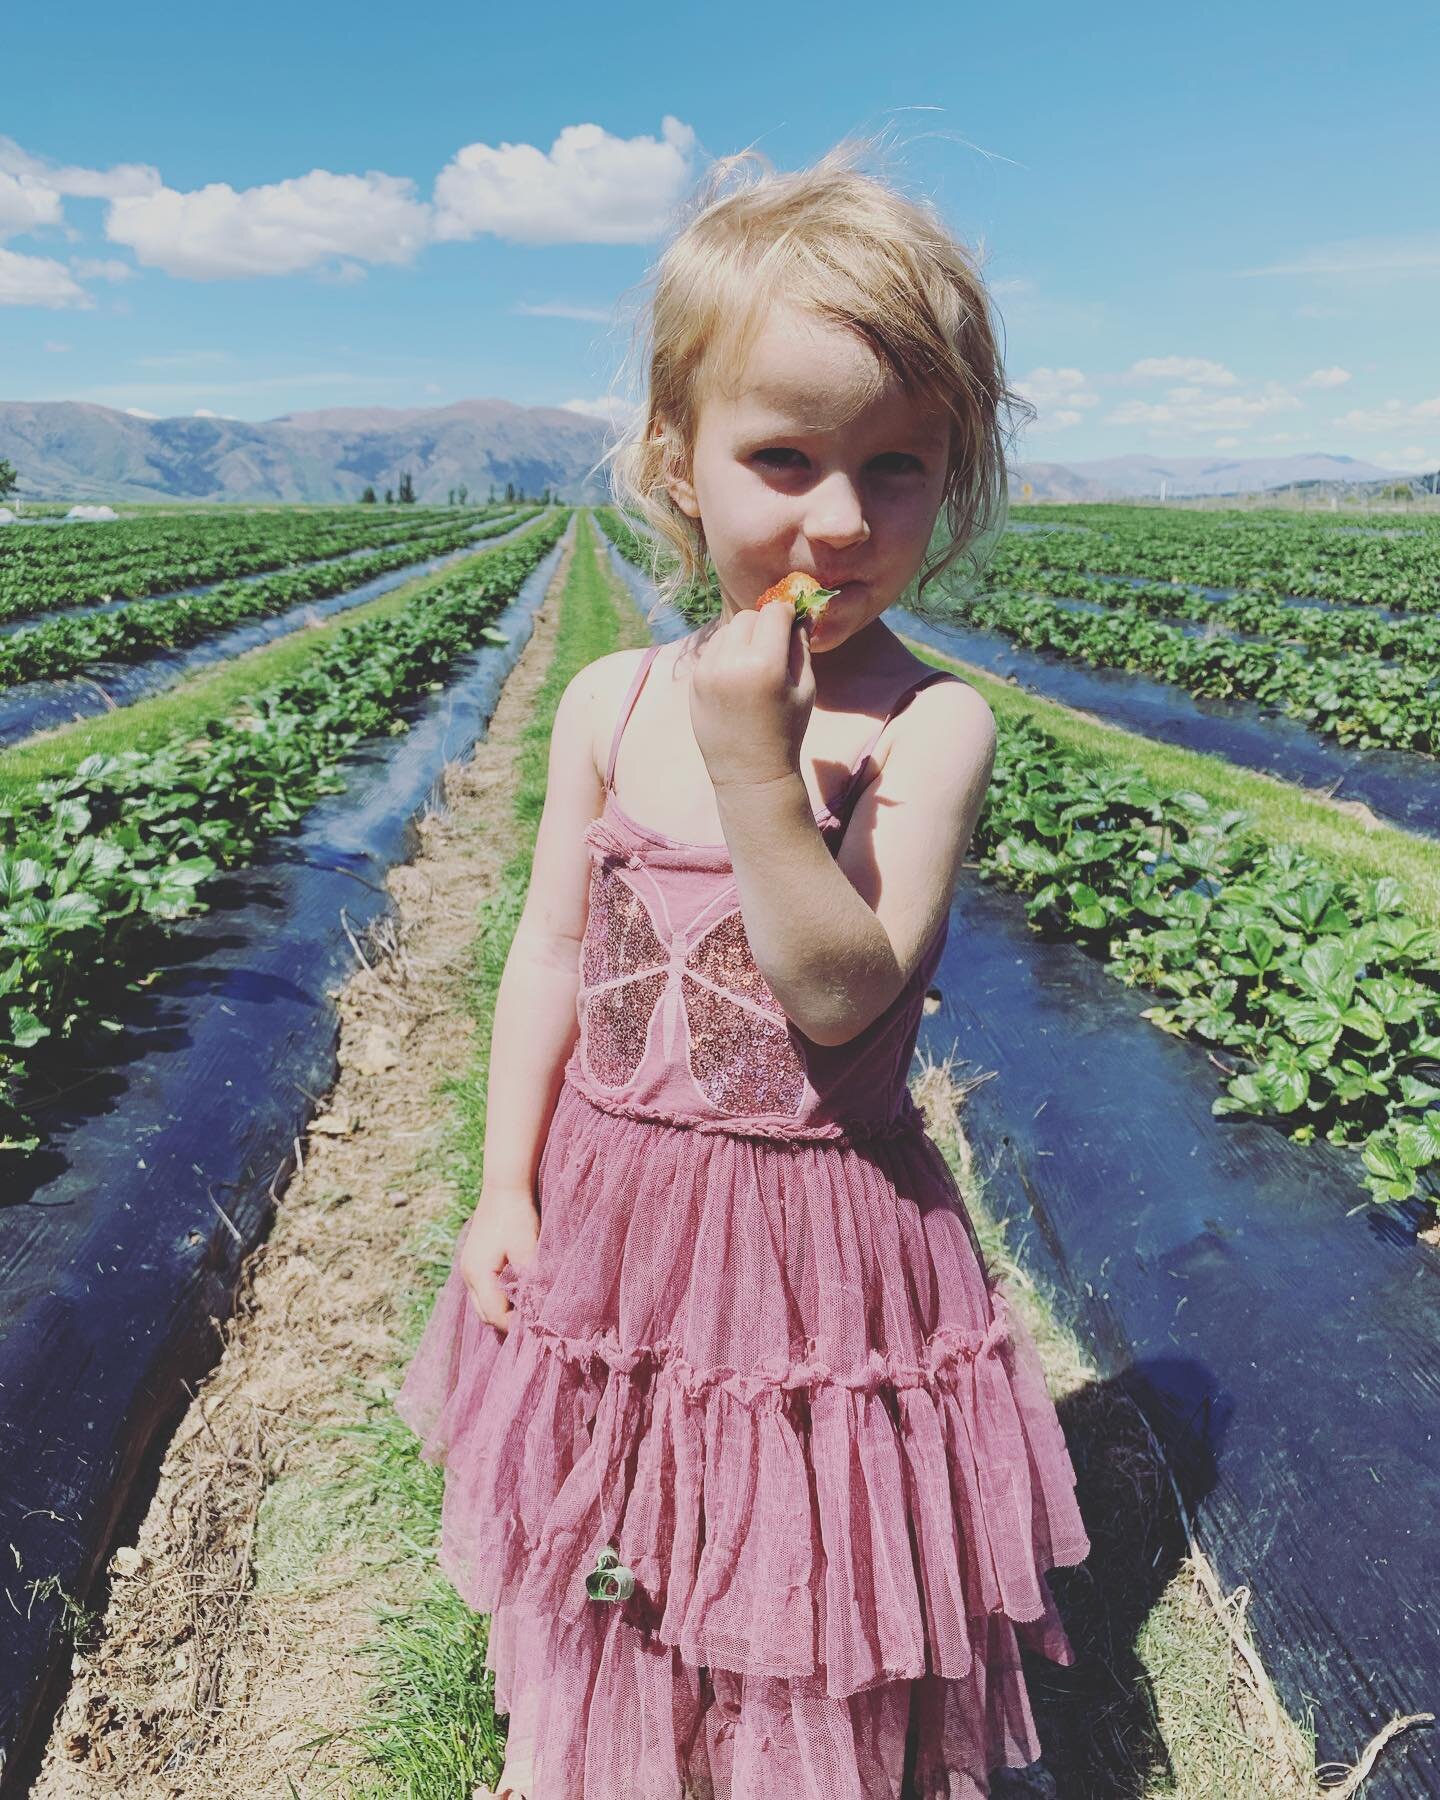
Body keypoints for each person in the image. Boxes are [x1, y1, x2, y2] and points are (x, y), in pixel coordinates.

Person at [395, 137, 1091, 1800]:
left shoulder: (929, 726)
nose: (839, 523)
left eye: (900, 470)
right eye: (783, 457)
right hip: (617, 1209)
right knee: (625, 1515)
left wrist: (764, 773)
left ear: (957, 476)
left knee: (797, 1539)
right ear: (675, 462)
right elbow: (554, 949)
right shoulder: (607, 706)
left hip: (814, 1236)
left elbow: (846, 993)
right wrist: (507, 1182)